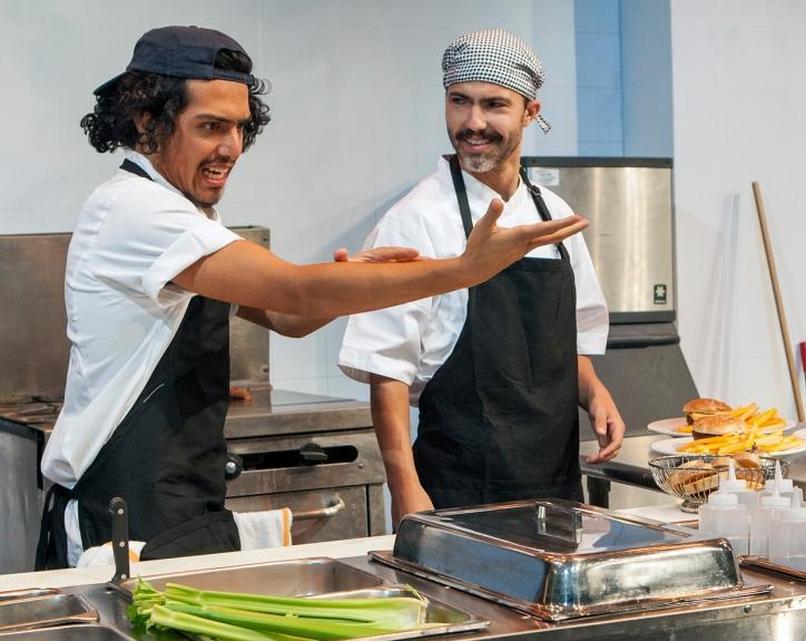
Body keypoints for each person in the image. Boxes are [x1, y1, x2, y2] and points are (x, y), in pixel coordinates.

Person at [36, 25, 586, 569]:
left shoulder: (187, 213)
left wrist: (357, 277)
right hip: (119, 512)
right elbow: (294, 288)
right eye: (210, 127)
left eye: (240, 127)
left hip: (179, 503)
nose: (231, 148)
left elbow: (287, 317)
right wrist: (465, 269)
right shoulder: (134, 208)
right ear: (146, 121)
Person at [338, 29, 624, 523]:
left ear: (530, 112)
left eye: (494, 105)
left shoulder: (553, 215)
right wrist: (405, 489)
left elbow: (569, 342)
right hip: (456, 491)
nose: (473, 122)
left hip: (555, 488)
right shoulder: (417, 218)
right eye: (459, 102)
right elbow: (386, 372)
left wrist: (595, 392)